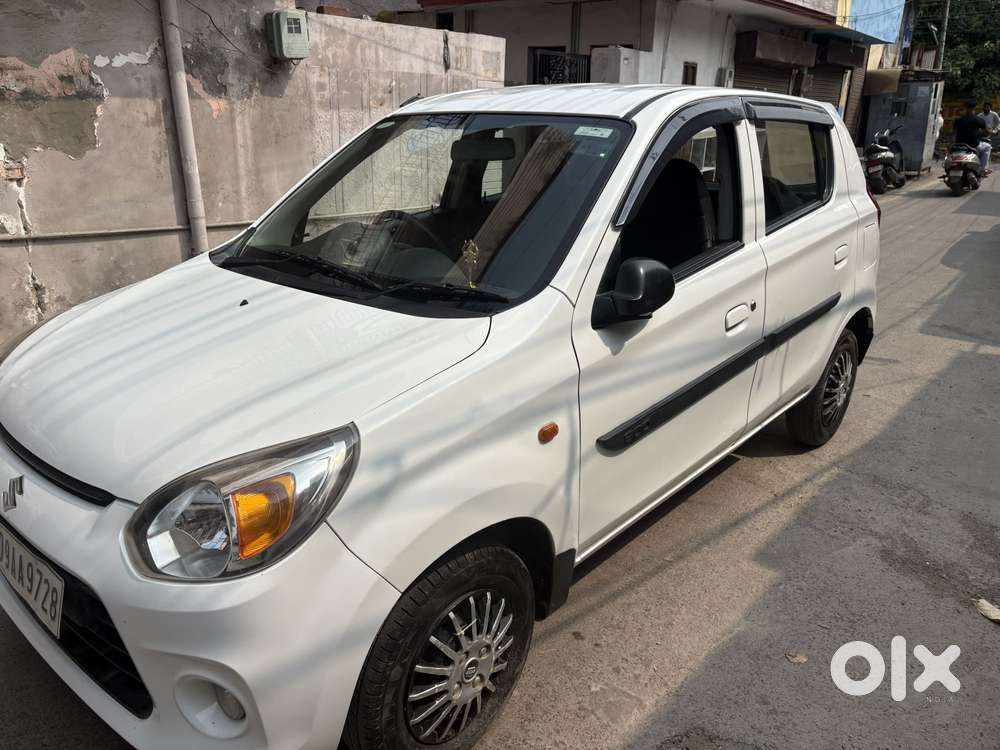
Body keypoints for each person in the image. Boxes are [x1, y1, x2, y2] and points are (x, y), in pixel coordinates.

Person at [954, 100, 991, 175]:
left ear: (965, 108)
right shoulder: (979, 120)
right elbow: (986, 132)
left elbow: (954, 133)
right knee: (987, 147)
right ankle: (983, 170)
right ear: (974, 108)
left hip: (958, 146)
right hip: (973, 145)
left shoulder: (958, 120)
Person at [980, 102, 999, 175]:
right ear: (983, 107)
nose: (986, 108)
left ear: (990, 108)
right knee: (983, 150)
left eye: (988, 107)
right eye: (985, 107)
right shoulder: (980, 115)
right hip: (982, 134)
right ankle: (983, 168)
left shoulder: (994, 114)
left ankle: (985, 168)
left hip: (991, 133)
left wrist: (996, 130)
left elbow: (998, 123)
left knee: (988, 150)